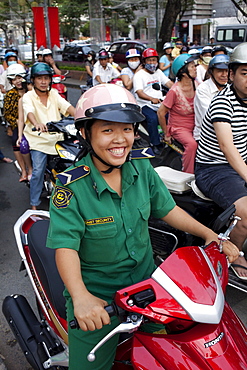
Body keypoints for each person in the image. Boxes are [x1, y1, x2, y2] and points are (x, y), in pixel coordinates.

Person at [46, 83, 239, 370]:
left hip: (148, 289)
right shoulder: (70, 188)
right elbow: (66, 247)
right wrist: (81, 297)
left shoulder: (141, 167)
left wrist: (210, 235)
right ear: (86, 134)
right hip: (100, 300)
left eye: (126, 129)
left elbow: (168, 209)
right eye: (107, 130)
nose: (120, 139)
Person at [195, 42, 247, 279]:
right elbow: (227, 147)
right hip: (214, 169)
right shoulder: (222, 103)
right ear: (232, 73)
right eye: (245, 73)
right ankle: (233, 253)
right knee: (246, 212)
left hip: (240, 165)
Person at [22, 62, 75, 210]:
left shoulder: (54, 94)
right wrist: (37, 123)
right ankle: (34, 204)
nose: (44, 82)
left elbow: (67, 107)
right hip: (39, 140)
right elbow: (29, 111)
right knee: (38, 170)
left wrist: (82, 116)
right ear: (33, 80)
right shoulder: (28, 96)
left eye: (46, 78)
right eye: (40, 78)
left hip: (58, 138)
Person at [157, 53, 198, 174]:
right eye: (192, 66)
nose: (195, 68)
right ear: (183, 72)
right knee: (192, 145)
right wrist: (166, 134)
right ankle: (188, 175)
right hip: (179, 128)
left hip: (196, 126)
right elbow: (161, 113)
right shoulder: (174, 91)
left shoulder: (197, 86)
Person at [133, 48, 173, 155]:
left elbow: (168, 83)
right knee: (153, 119)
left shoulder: (158, 72)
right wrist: (151, 99)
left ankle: (169, 137)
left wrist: (178, 89)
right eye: (149, 60)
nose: (152, 63)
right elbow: (139, 92)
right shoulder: (139, 75)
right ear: (144, 62)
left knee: (171, 116)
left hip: (160, 102)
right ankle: (155, 144)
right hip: (145, 104)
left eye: (154, 60)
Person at [3, 63, 32, 182]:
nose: (18, 81)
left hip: (35, 125)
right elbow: (8, 114)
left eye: (19, 77)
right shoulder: (10, 95)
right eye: (14, 79)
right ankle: (24, 170)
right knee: (17, 143)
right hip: (19, 126)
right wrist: (19, 123)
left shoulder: (32, 91)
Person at [193, 54, 229, 141]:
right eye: (220, 71)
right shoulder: (203, 89)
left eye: (227, 71)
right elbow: (211, 117)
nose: (224, 75)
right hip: (207, 136)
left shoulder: (230, 88)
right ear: (211, 72)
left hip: (228, 134)